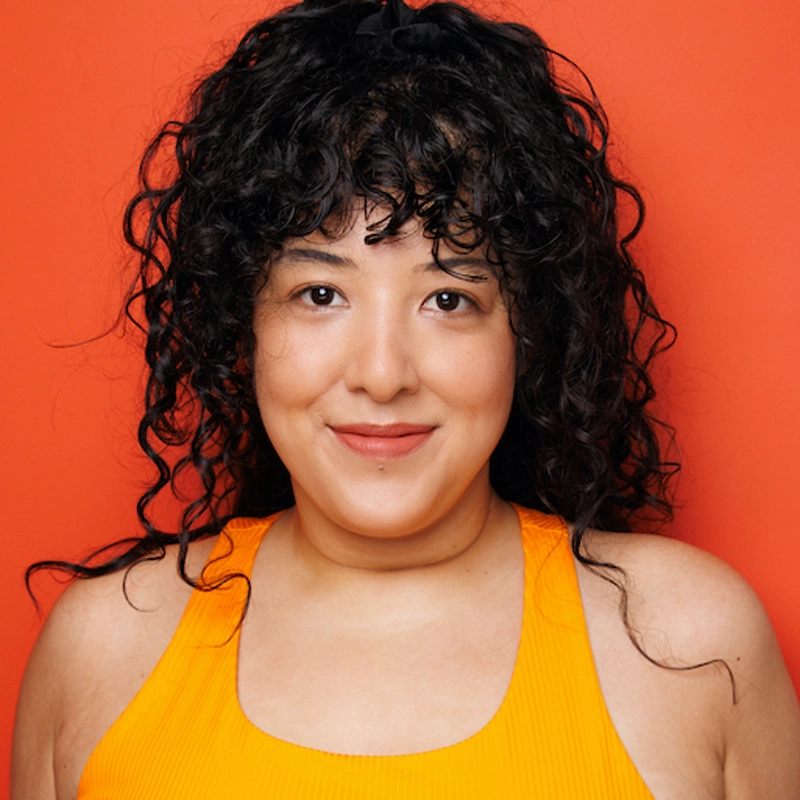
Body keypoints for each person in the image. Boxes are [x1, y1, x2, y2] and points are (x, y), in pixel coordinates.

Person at [11, 0, 800, 796]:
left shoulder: (688, 646)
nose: (383, 373)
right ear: (238, 321)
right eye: (321, 293)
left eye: (449, 298)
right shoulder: (104, 652)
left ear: (527, 332)